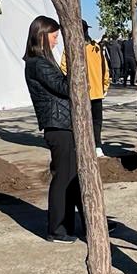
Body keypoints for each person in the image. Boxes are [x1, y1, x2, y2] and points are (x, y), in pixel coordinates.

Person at [24, 16, 82, 242]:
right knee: (63, 178)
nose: (57, 41)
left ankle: (79, 222)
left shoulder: (43, 61)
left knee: (72, 177)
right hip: (58, 127)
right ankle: (57, 228)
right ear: (42, 36)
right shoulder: (38, 63)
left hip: (63, 124)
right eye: (54, 36)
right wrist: (77, 70)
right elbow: (63, 87)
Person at [60, 20, 110, 158]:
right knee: (96, 120)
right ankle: (97, 145)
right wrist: (104, 86)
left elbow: (64, 68)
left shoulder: (70, 47)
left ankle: (80, 146)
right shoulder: (96, 47)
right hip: (96, 91)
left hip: (79, 92)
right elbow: (105, 69)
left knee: (80, 120)